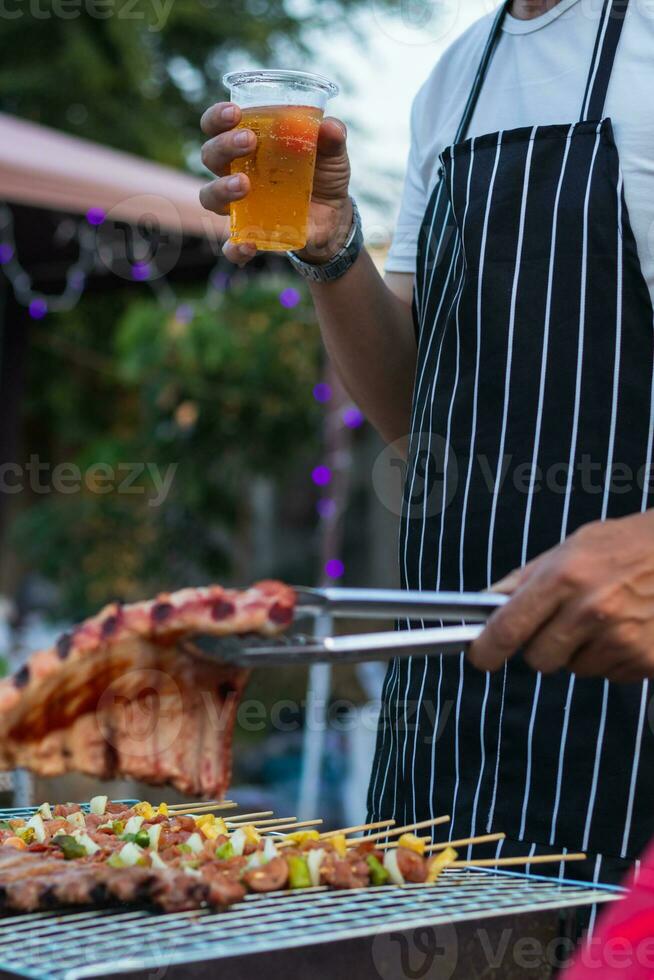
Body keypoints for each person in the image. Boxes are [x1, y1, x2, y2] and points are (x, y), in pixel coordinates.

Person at [200, 0, 654, 897]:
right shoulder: (455, 79)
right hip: (441, 737)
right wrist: (328, 246)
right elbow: (418, 406)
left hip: (622, 749)